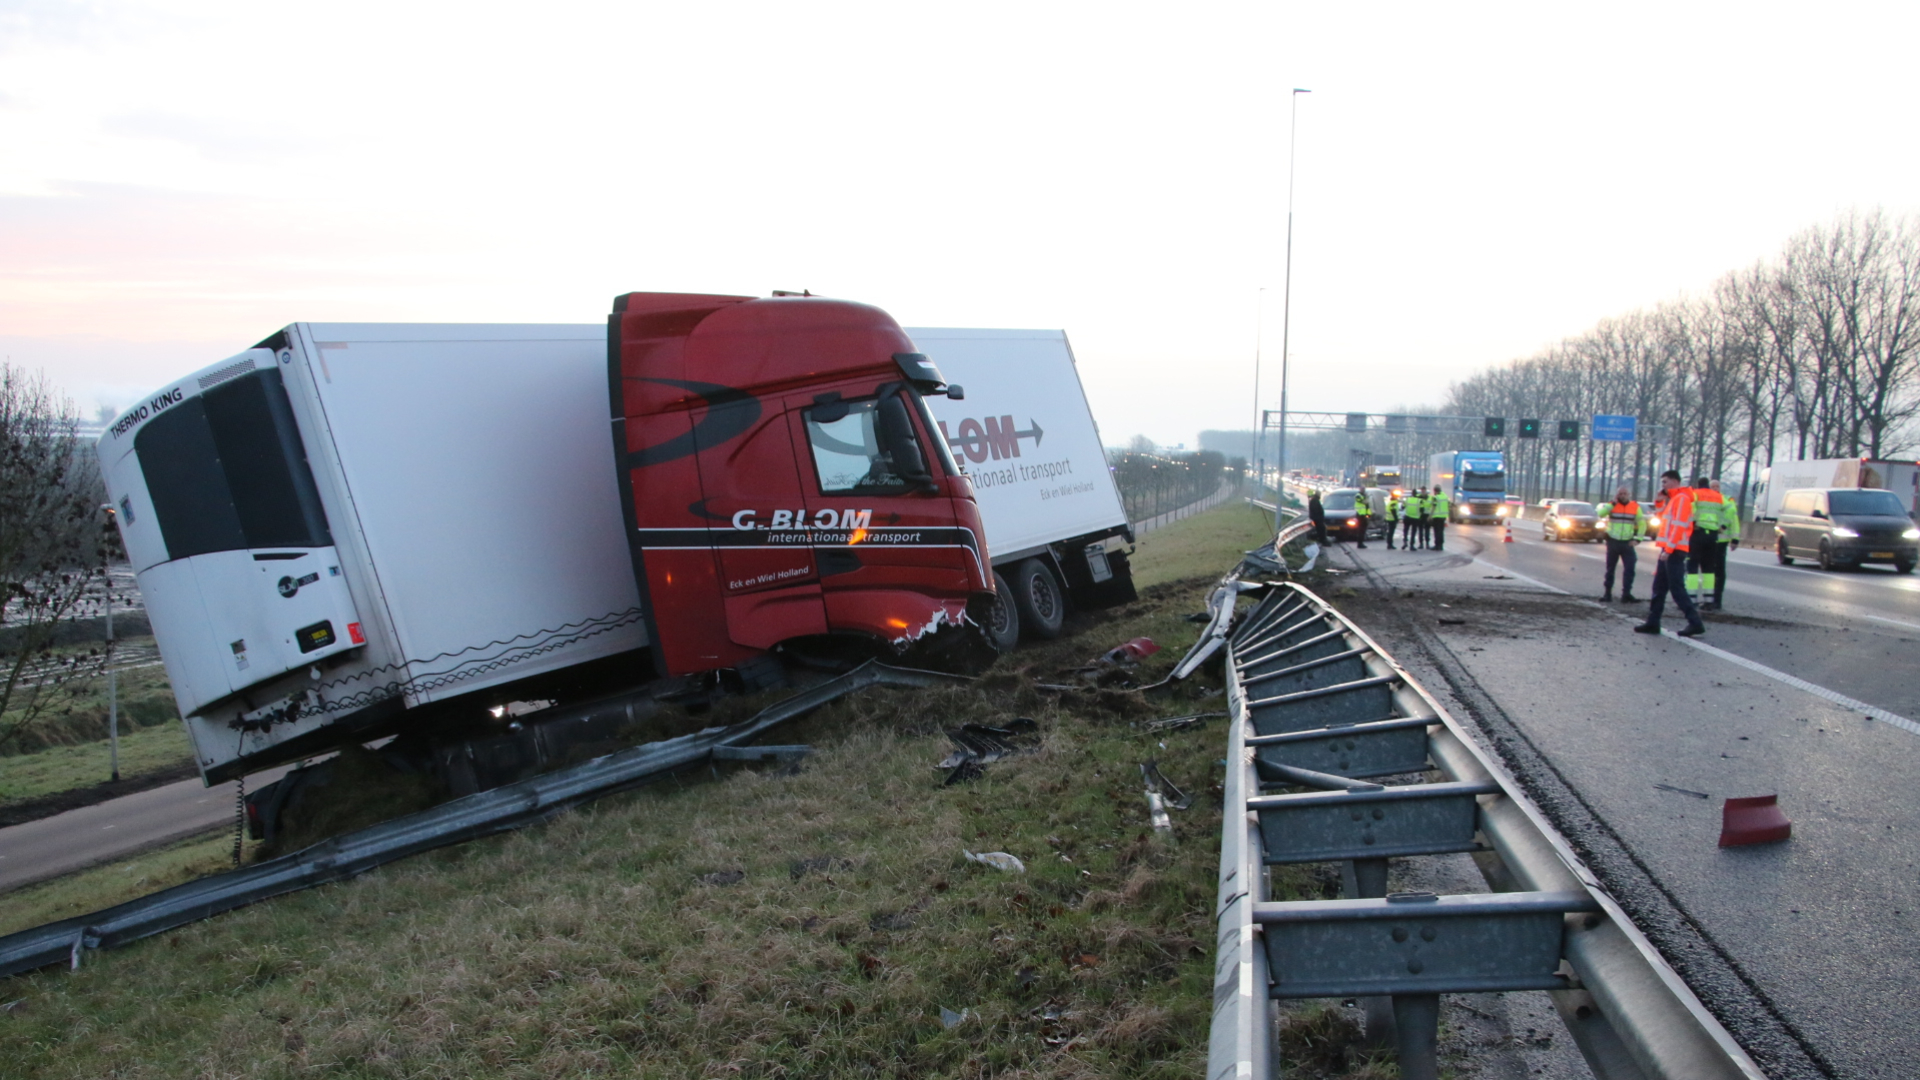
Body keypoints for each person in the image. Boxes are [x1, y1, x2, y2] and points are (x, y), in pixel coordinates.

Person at [1635, 470, 1706, 637]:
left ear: (1675, 481)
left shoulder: (1681, 499)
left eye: (1665, 482)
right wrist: (1659, 502)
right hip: (1669, 549)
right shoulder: (1674, 499)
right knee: (1659, 588)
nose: (1663, 486)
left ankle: (1695, 622)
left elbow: (1679, 526)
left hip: (1674, 550)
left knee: (1677, 589)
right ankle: (1653, 622)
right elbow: (1664, 519)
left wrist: (1669, 549)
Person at [1686, 476, 1726, 610]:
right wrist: (1722, 526)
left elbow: (1689, 509)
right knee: (1709, 568)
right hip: (1713, 535)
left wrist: (1692, 524)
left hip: (1698, 533)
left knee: (1692, 567)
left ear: (1698, 485)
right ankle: (1709, 600)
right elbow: (1730, 511)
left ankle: (1691, 599)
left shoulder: (1695, 494)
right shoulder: (1718, 496)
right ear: (1708, 485)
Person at [1600, 484, 1646, 602]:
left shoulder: (1635, 507)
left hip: (1627, 543)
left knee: (1630, 569)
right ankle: (1607, 593)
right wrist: (1612, 504)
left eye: (1625, 494)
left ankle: (1626, 594)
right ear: (1617, 495)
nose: (1622, 496)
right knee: (1610, 569)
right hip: (1613, 541)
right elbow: (1600, 514)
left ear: (1629, 495)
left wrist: (1637, 539)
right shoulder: (1612, 505)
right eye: (1620, 494)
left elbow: (1642, 524)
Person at [1707, 479, 1739, 609]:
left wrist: (1735, 539)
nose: (1715, 488)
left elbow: (1734, 520)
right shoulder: (1706, 501)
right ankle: (1708, 598)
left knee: (1719, 570)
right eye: (1713, 486)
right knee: (1707, 570)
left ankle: (1717, 599)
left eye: (1717, 486)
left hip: (1721, 540)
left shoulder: (1727, 500)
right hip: (1708, 539)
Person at [1429, 486, 1450, 551]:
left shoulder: (1436, 497)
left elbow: (1434, 507)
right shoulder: (1445, 496)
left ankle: (1437, 545)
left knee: (1437, 532)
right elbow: (1448, 505)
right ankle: (1441, 545)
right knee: (1441, 531)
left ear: (1435, 491)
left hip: (1437, 516)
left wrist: (1430, 516)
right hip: (1443, 516)